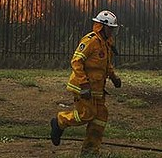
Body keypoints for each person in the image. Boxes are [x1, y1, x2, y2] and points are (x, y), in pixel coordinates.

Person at [50, 10, 122, 156]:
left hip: (97, 89)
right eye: (110, 28)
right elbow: (76, 61)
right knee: (85, 115)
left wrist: (114, 77)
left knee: (100, 116)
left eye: (113, 29)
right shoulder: (90, 41)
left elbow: (106, 64)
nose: (112, 32)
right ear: (101, 27)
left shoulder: (106, 43)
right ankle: (59, 121)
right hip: (83, 87)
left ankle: (90, 151)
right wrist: (84, 84)